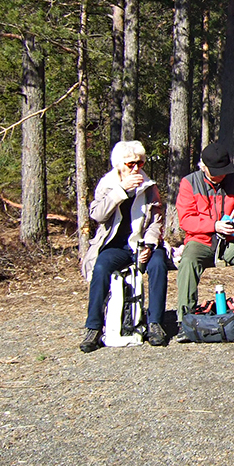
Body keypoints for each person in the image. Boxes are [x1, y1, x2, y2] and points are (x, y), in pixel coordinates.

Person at [80, 141, 169, 352]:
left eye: (141, 162)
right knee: (101, 267)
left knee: (158, 265)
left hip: (141, 242)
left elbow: (156, 220)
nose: (136, 168)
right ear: (120, 164)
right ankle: (93, 326)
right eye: (131, 164)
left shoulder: (149, 186)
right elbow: (98, 215)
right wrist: (120, 191)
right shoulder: (107, 184)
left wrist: (149, 243)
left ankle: (155, 322)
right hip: (116, 244)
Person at [175, 141, 234, 320]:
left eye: (223, 171)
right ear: (204, 167)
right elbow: (186, 220)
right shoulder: (189, 183)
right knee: (188, 261)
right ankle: (185, 318)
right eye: (215, 172)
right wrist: (213, 226)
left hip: (231, 240)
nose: (220, 176)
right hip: (200, 240)